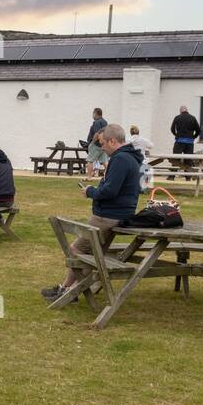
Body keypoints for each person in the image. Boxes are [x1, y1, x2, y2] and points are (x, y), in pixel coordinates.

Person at [42, 124, 143, 301]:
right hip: (117, 214)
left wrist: (90, 191)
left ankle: (69, 291)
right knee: (89, 254)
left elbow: (110, 191)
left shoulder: (120, 159)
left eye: (103, 143)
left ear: (112, 141)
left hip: (108, 216)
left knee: (77, 249)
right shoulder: (129, 157)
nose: (101, 147)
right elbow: (114, 187)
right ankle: (66, 288)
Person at [170, 105, 200, 179]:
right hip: (189, 142)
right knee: (188, 159)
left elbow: (172, 129)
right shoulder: (193, 118)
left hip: (179, 141)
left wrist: (176, 135)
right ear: (187, 110)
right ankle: (188, 177)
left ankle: (172, 176)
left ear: (180, 111)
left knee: (176, 159)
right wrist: (194, 137)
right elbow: (198, 130)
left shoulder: (177, 117)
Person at [85, 107, 107, 178]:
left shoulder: (97, 122)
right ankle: (108, 176)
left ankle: (89, 177)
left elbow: (97, 134)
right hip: (103, 145)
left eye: (93, 113)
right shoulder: (105, 121)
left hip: (96, 145)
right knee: (104, 162)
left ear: (96, 113)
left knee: (90, 160)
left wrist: (92, 142)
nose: (93, 115)